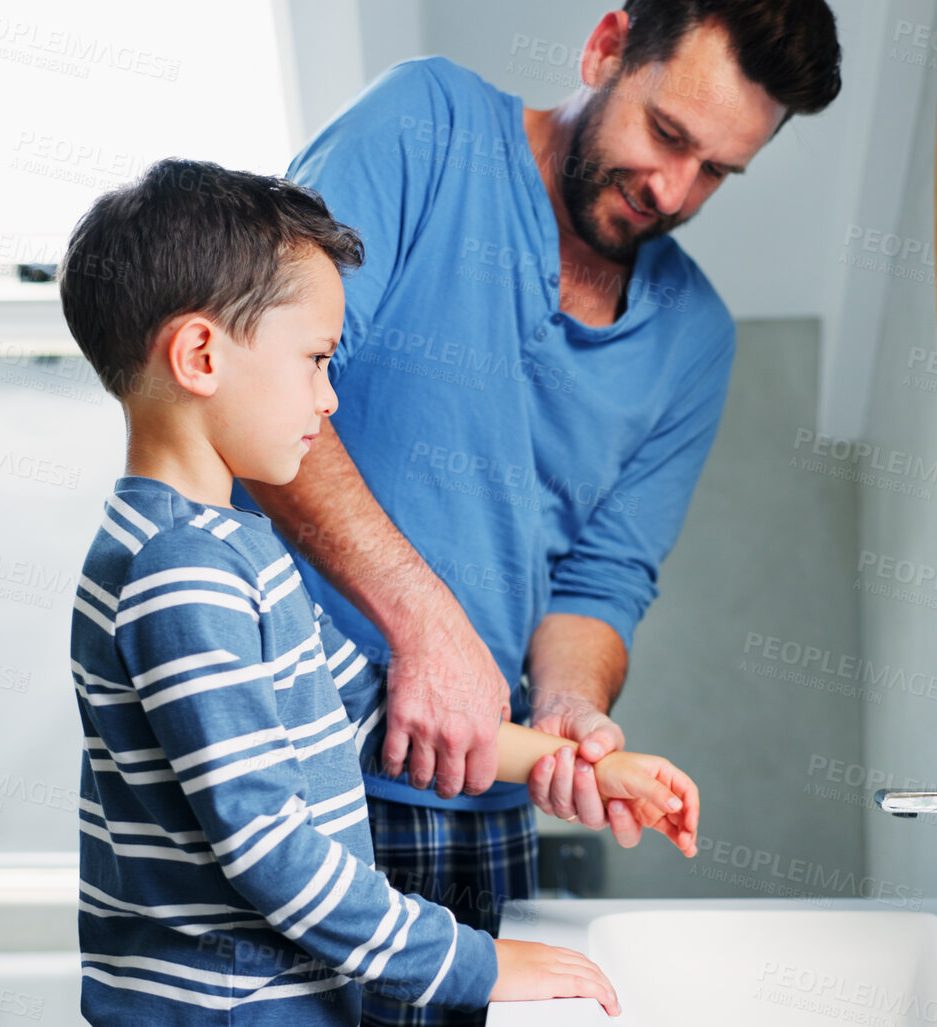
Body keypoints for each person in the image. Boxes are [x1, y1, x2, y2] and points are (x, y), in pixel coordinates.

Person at [231, 6, 840, 1023]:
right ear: (606, 48)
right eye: (668, 135)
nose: (674, 191)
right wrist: (426, 624)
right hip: (279, 761)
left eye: (718, 172)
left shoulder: (694, 337)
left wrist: (568, 709)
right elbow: (256, 378)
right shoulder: (422, 126)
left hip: (470, 797)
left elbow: (602, 580)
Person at [55, 158, 701, 1026]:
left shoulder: (226, 545)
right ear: (200, 354)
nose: (329, 398)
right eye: (316, 359)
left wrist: (570, 763)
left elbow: (365, 715)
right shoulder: (183, 572)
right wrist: (474, 962)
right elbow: (271, 852)